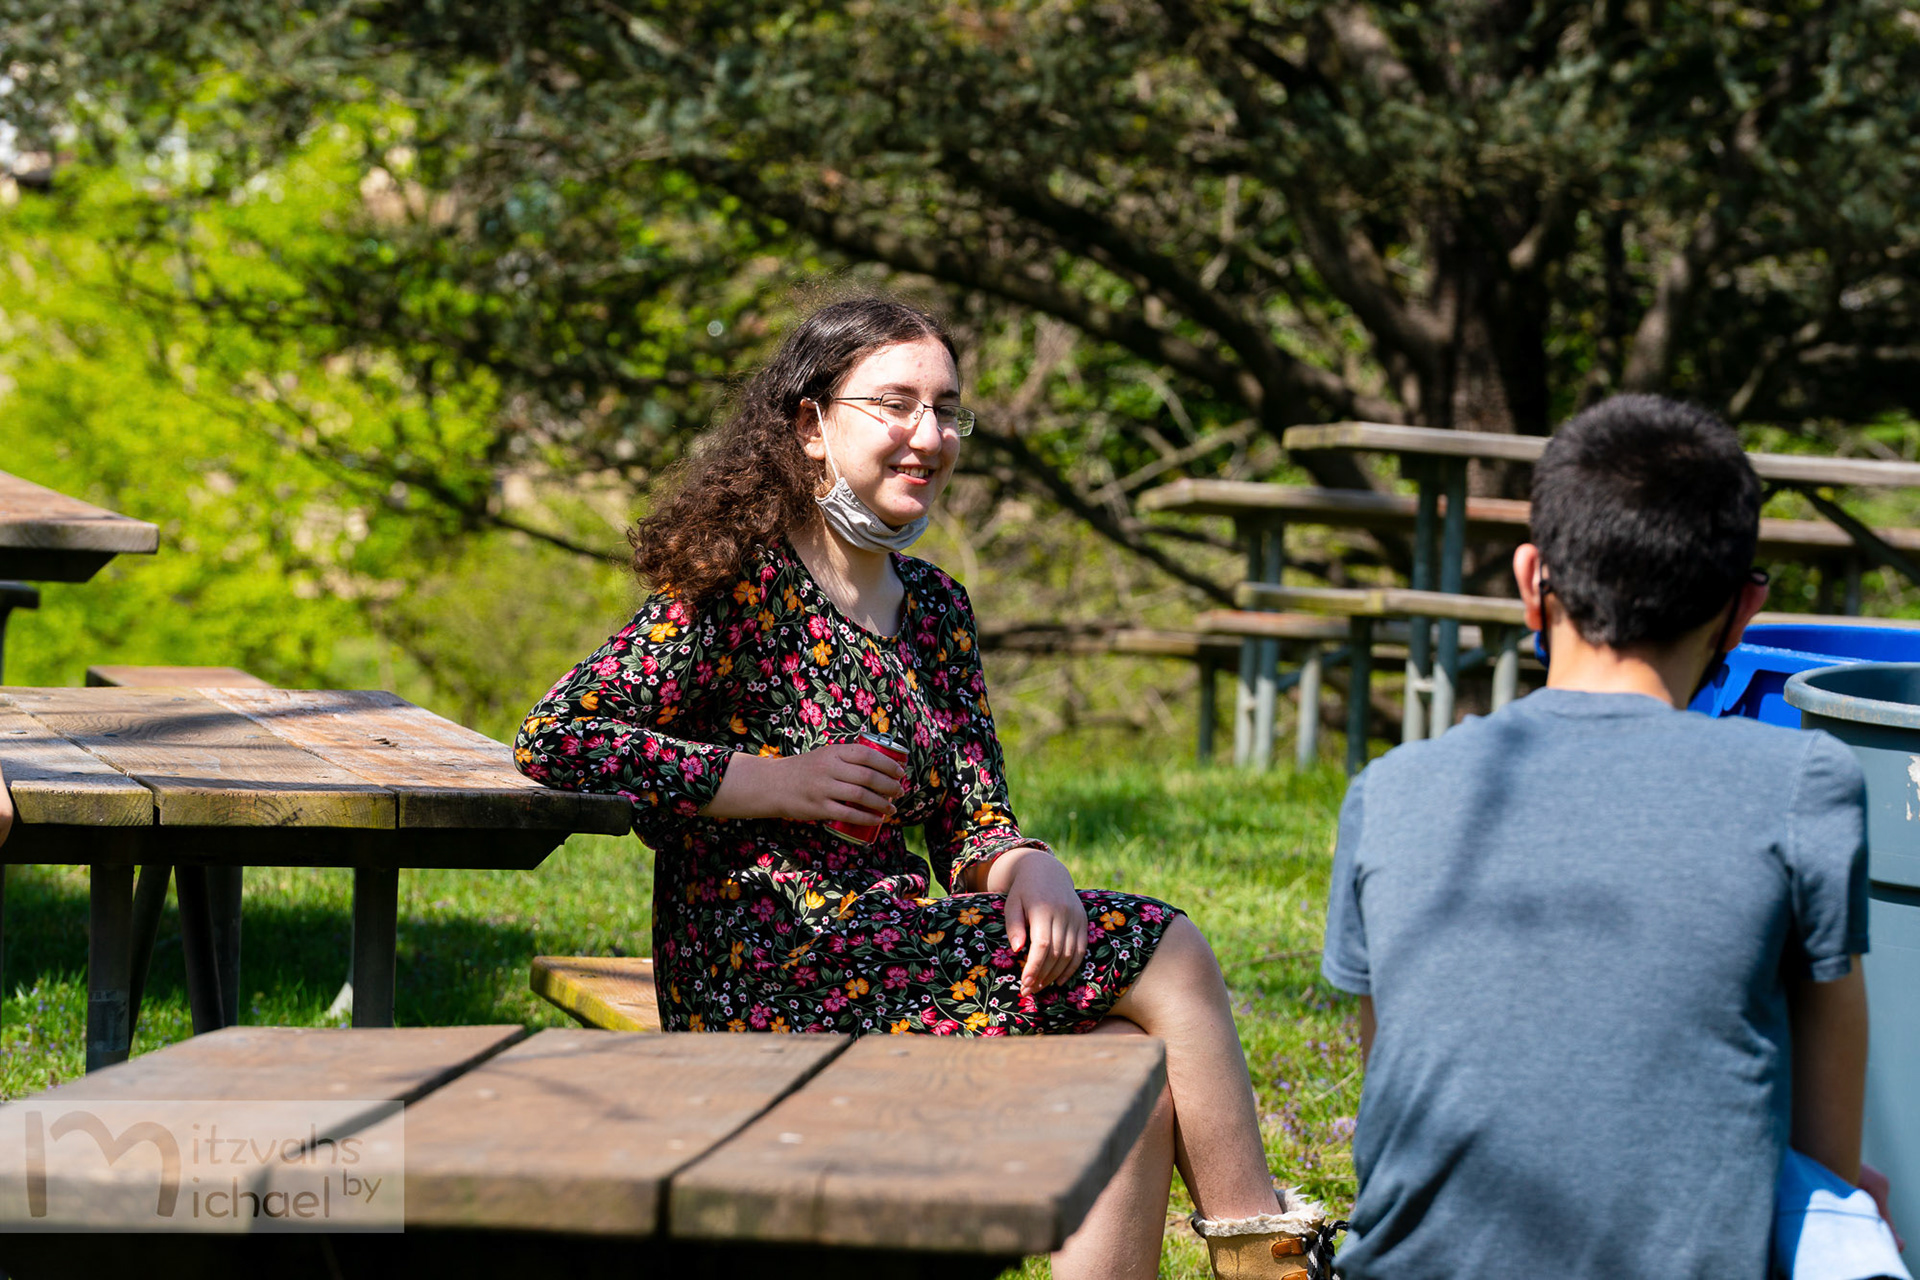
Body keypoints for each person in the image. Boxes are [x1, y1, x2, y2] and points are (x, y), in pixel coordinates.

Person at [515, 295, 1317, 1278]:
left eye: (945, 411)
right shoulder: (738, 588)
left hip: (890, 954)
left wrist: (1024, 863)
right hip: (766, 987)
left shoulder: (934, 606)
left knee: (1129, 1076)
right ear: (811, 424)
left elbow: (974, 812)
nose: (928, 435)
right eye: (895, 404)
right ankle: (1265, 1256)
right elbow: (559, 737)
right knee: (1169, 943)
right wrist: (769, 781)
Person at [1320, 394, 1883, 1278]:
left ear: (1529, 578)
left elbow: (1394, 1077)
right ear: (1744, 610)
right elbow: (1824, 1145)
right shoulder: (1802, 783)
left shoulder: (1390, 791)